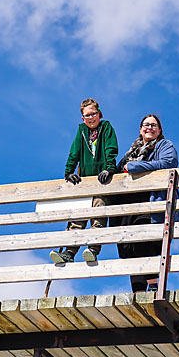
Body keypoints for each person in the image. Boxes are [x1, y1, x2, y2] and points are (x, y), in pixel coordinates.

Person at [113, 113, 178, 291]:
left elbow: (168, 163)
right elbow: (119, 171)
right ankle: (138, 291)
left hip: (150, 203)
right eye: (146, 125)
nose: (149, 128)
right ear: (140, 129)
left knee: (143, 241)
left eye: (153, 125)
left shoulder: (164, 145)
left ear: (159, 130)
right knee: (128, 248)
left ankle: (154, 285)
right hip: (128, 207)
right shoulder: (132, 152)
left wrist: (135, 167)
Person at [49, 98, 118, 264]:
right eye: (87, 115)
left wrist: (109, 168)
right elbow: (74, 152)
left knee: (98, 213)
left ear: (99, 113)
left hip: (102, 182)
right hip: (85, 182)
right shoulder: (81, 131)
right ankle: (69, 252)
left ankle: (93, 249)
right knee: (77, 217)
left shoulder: (106, 127)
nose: (91, 118)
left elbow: (111, 148)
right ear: (82, 118)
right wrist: (69, 172)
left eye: (94, 114)